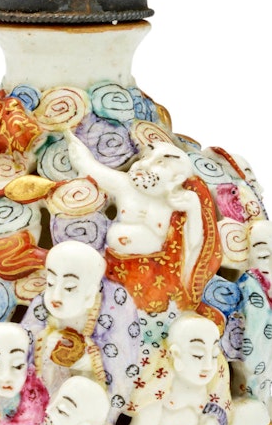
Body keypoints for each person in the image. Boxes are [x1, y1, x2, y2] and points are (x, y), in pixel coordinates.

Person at [66, 135, 219, 314]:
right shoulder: (125, 186)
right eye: (146, 157)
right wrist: (73, 142)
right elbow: (91, 168)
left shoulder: (179, 203)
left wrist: (193, 210)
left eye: (161, 164)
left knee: (141, 313)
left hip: (152, 278)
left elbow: (195, 244)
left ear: (176, 178)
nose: (144, 164)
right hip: (111, 267)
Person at [21, 240, 141, 412]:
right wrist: (45, 341)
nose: (56, 296)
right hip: (51, 383)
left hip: (90, 388)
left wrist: (88, 360)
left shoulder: (114, 304)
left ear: (90, 293)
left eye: (70, 287)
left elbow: (124, 355)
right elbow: (24, 339)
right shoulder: (42, 304)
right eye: (51, 283)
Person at [233, 220, 272, 415]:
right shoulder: (249, 287)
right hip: (250, 375)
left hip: (266, 376)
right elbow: (250, 344)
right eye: (264, 256)